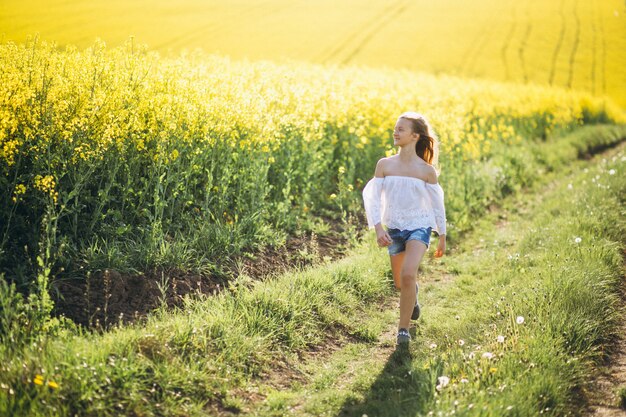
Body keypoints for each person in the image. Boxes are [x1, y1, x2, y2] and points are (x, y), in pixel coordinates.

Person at [362, 112, 447, 345]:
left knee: (409, 273)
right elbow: (372, 199)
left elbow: (436, 204)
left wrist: (442, 234)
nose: (395, 132)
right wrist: (379, 229)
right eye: (395, 128)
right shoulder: (385, 165)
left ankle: (402, 330)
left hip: (419, 226)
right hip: (395, 228)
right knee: (401, 282)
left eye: (401, 129)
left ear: (415, 136)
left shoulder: (426, 171)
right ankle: (413, 296)